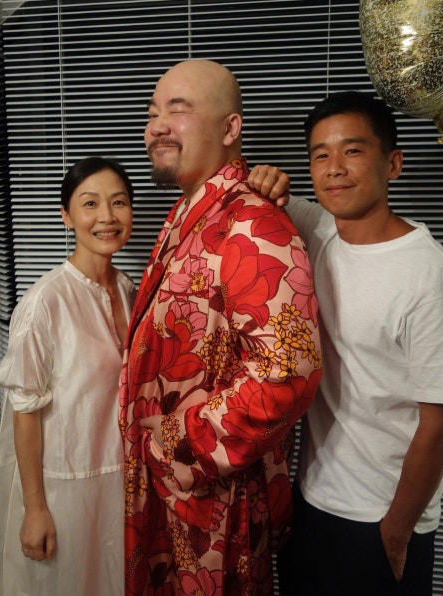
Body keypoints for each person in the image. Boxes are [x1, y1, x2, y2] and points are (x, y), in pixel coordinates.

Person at [119, 59, 322, 595]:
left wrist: (176, 440)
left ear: (231, 128)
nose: (158, 125)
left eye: (178, 110)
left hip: (215, 507)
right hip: (167, 493)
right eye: (153, 113)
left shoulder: (254, 224)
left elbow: (288, 376)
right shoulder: (187, 213)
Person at [249, 91, 443, 595]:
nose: (335, 168)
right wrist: (263, 178)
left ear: (393, 164)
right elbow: (260, 190)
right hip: (311, 500)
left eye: (353, 150)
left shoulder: (430, 278)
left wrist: (397, 529)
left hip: (380, 516)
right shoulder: (319, 230)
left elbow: (442, 421)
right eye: (320, 154)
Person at [0, 156, 136, 596]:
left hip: (118, 485)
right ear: (66, 216)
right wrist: (35, 509)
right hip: (64, 488)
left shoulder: (128, 289)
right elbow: (25, 412)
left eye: (118, 202)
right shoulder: (45, 301)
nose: (107, 217)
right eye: (90, 203)